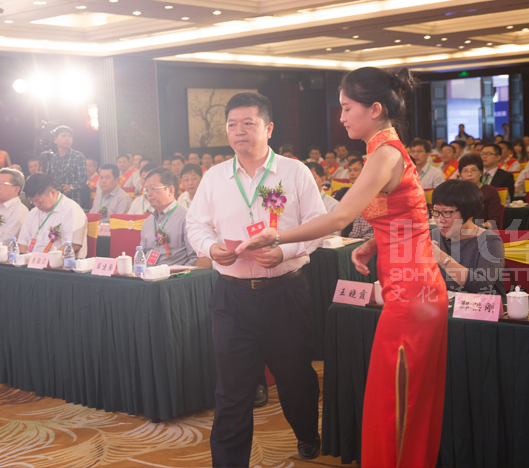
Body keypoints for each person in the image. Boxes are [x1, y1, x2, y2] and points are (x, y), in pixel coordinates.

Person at [237, 67, 447, 468]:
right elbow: (411, 216)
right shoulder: (386, 151)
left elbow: (338, 218)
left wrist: (278, 236)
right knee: (401, 394)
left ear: (375, 109)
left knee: (397, 397)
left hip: (412, 291)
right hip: (411, 284)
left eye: (347, 108)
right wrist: (373, 242)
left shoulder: (385, 154)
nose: (342, 117)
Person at [186, 92, 325, 467]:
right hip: (231, 297)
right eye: (232, 125)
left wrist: (285, 251)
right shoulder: (215, 177)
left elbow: (317, 225)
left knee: (295, 377)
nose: (239, 131)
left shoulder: (294, 172)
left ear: (269, 128)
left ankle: (307, 433)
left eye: (248, 123)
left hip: (284, 294)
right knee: (231, 390)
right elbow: (196, 224)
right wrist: (211, 247)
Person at [430, 180, 506, 300]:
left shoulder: (490, 241)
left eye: (447, 212)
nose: (440, 219)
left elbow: (483, 285)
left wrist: (442, 259)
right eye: (436, 212)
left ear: (469, 213)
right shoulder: (433, 236)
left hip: (482, 307)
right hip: (445, 305)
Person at [139, 167, 202, 267]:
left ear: (170, 190)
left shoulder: (187, 218)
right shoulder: (148, 221)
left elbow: (195, 258)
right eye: (147, 190)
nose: (149, 194)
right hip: (148, 273)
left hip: (173, 275)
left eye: (153, 188)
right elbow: (141, 255)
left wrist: (178, 274)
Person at [18, 173, 88, 258]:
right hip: (33, 262)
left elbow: (73, 245)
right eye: (32, 201)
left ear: (53, 193)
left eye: (39, 200)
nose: (36, 205)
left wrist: (46, 260)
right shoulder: (33, 212)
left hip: (60, 263)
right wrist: (23, 260)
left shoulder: (71, 210)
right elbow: (23, 243)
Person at [46, 126, 88, 208]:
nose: (67, 138)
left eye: (69, 136)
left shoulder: (78, 156)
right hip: (55, 201)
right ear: (55, 140)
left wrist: (71, 187)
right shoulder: (52, 158)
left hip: (73, 200)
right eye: (63, 136)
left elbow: (83, 178)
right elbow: (48, 179)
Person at [458, 155, 502, 229]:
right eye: (465, 171)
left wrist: (476, 229)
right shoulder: (456, 192)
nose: (469, 174)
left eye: (473, 170)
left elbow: (494, 220)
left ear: (481, 173)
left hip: (481, 231)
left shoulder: (490, 191)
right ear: (460, 174)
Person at [305, 162, 341, 236]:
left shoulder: (333, 205)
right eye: (304, 178)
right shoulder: (296, 203)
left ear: (322, 180)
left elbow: (334, 236)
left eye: (312, 177)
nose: (307, 182)